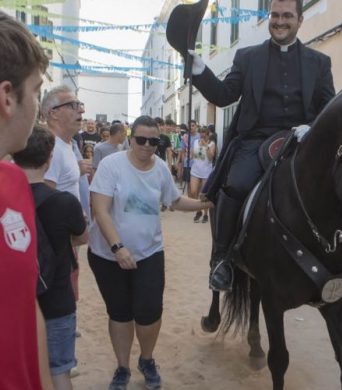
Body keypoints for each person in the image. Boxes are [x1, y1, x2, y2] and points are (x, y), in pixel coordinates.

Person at [189, 0, 335, 290]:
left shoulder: (320, 63)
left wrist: (314, 128)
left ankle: (337, 258)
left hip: (300, 140)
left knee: (335, 189)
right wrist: (198, 68)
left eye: (287, 16)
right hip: (255, 141)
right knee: (236, 186)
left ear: (300, 20)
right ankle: (222, 260)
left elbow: (329, 106)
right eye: (275, 15)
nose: (280, 21)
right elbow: (224, 95)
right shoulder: (247, 57)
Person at [87, 115, 212, 390]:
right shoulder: (111, 165)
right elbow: (101, 210)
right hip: (108, 255)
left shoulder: (161, 169)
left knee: (149, 311)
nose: (146, 145)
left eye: (153, 141)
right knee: (119, 313)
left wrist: (206, 204)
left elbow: (175, 200)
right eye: (141, 139)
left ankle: (147, 359)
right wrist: (118, 247)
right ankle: (122, 367)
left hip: (149, 253)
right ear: (131, 139)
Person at [13, 126, 88, 390]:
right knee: (59, 371)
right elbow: (82, 237)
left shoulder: (7, 199)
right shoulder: (65, 202)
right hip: (57, 297)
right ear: (48, 159)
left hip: (18, 303)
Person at [0, 11, 53, 390]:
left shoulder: (16, 183)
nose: (37, 107)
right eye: (36, 91)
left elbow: (27, 301)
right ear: (7, 97)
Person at [190, 126, 216, 223]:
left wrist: (206, 146)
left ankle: (205, 214)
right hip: (195, 170)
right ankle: (198, 211)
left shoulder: (212, 144)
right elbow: (193, 154)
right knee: (193, 191)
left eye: (203, 133)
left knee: (204, 195)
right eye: (200, 132)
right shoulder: (196, 142)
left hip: (206, 172)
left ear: (208, 134)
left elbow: (210, 158)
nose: (201, 135)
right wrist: (189, 157)